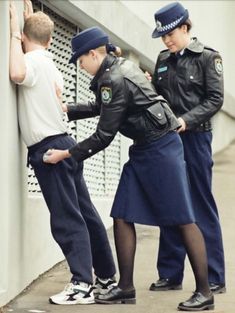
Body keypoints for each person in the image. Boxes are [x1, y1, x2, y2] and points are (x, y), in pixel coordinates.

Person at [44, 25, 215, 311]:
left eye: (80, 60)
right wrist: (68, 109)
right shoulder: (113, 70)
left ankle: (205, 292)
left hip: (161, 148)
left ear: (93, 54)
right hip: (145, 148)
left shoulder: (114, 78)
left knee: (183, 218)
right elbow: (105, 107)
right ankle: (125, 287)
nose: (80, 65)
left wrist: (65, 155)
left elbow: (104, 136)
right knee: (122, 213)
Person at [9, 0, 116, 305]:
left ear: (26, 39)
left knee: (67, 219)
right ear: (50, 40)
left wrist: (15, 35)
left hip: (50, 149)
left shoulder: (34, 62)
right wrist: (29, 27)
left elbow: (17, 72)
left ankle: (82, 284)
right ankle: (105, 275)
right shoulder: (49, 62)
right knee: (85, 213)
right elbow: (35, 49)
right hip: (65, 143)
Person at [148, 2, 226, 295]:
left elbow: (215, 99)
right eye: (162, 36)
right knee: (170, 203)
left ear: (185, 27)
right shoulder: (162, 60)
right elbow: (158, 96)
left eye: (170, 34)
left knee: (200, 205)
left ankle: (214, 276)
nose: (167, 40)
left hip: (196, 139)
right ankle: (170, 274)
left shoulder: (208, 57)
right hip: (168, 140)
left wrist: (186, 120)